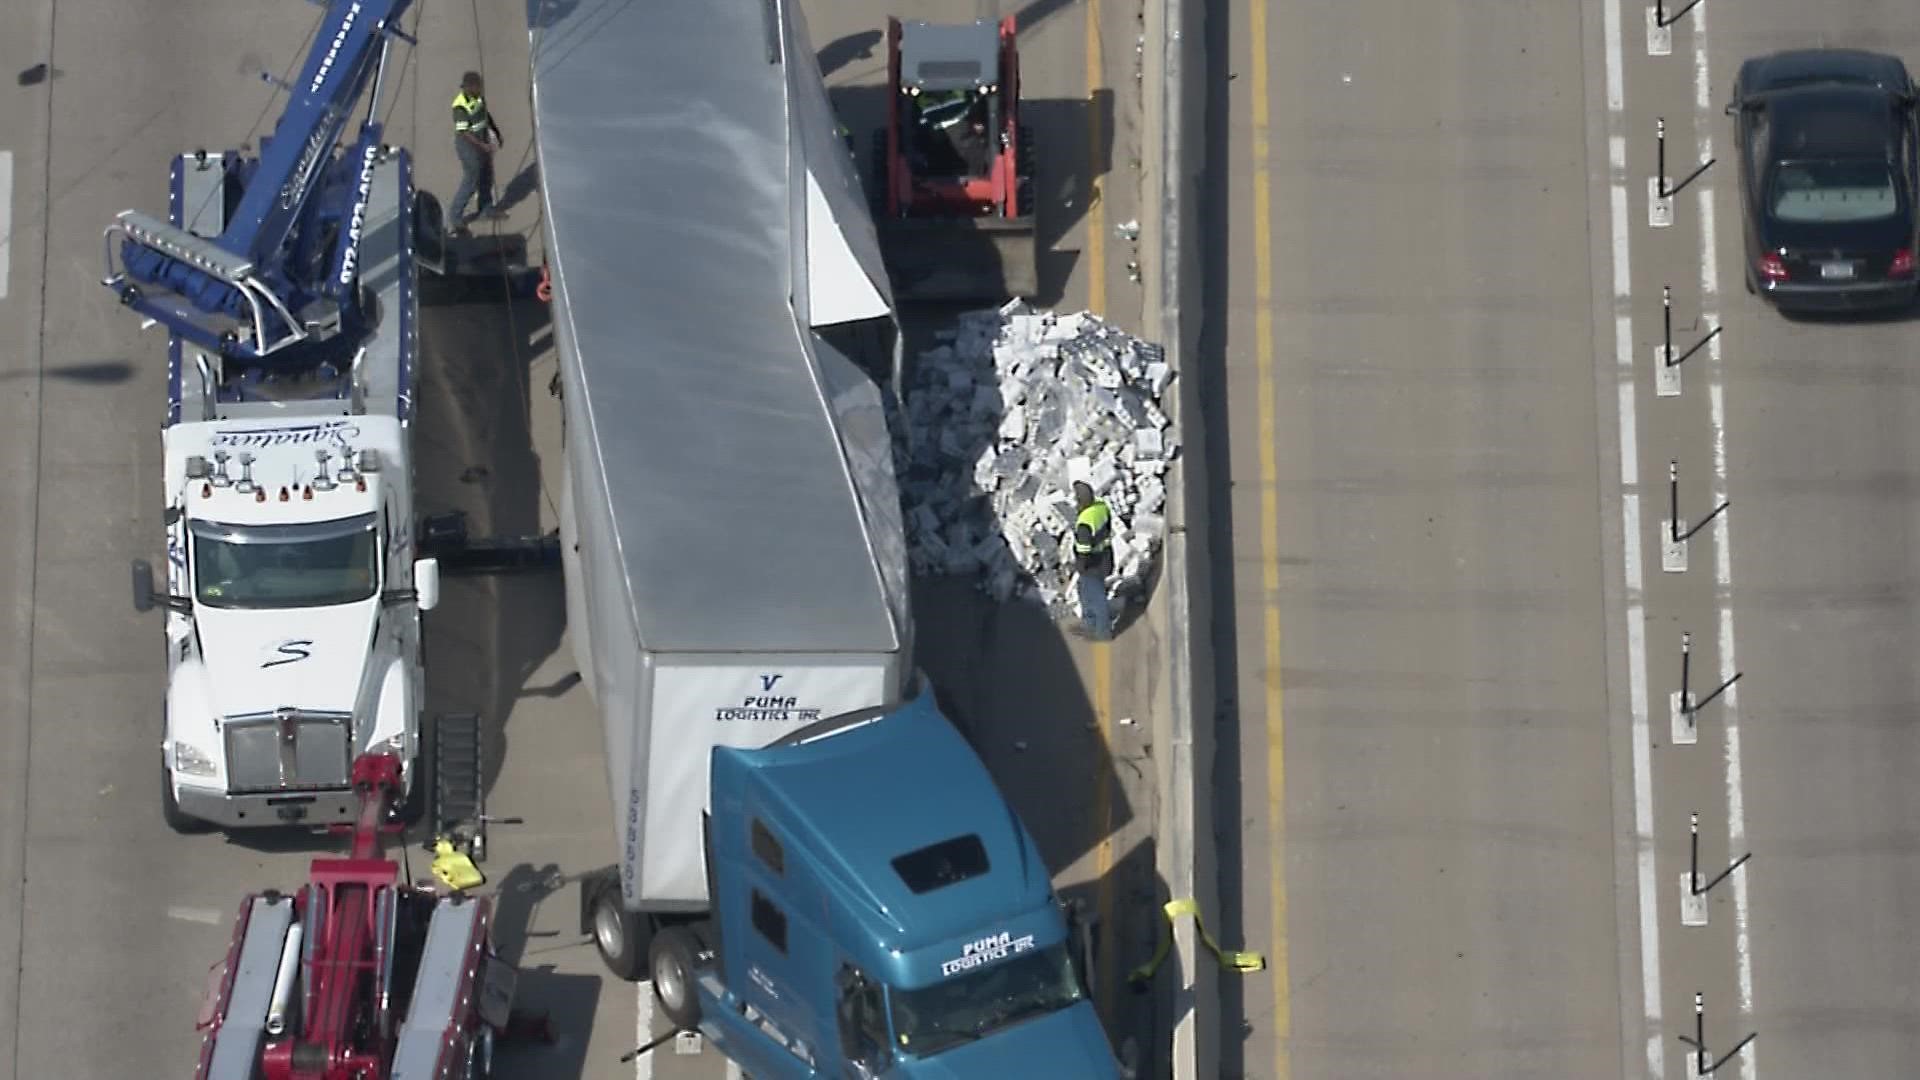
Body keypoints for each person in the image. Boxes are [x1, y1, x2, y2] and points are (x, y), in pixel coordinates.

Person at [449, 72, 505, 231]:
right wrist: (482, 145)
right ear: (470, 87)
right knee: (471, 180)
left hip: (483, 141)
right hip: (468, 146)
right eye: (478, 86)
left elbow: (486, 115)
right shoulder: (460, 105)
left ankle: (485, 209)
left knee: (487, 176)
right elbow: (464, 132)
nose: (481, 89)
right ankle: (455, 216)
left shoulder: (479, 97)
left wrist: (496, 132)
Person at [1071, 482, 1114, 640]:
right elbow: (1108, 527)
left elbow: (1084, 549)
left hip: (1092, 563)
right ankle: (1089, 624)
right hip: (1106, 556)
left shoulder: (1084, 522)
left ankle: (1102, 633)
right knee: (1085, 592)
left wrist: (1080, 566)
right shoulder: (1101, 507)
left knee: (1096, 599)